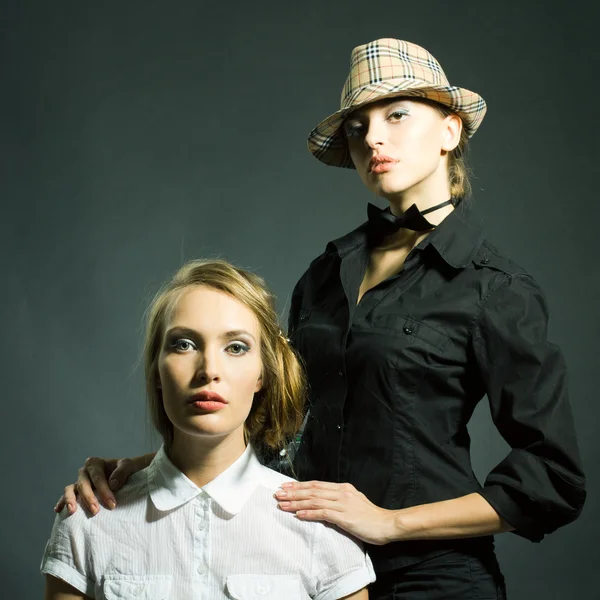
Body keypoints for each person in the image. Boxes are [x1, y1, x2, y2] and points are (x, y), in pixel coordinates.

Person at [55, 39, 586, 599]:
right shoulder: (325, 274)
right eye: (358, 127)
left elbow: (552, 478)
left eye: (397, 114)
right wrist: (149, 470)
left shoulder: (495, 287)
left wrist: (390, 521)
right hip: (307, 561)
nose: (374, 137)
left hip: (433, 577)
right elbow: (273, 426)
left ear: (450, 131)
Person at [42, 259, 374, 599]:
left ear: (263, 373)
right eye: (184, 344)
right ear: (156, 370)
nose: (209, 370)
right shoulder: (87, 521)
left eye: (236, 347)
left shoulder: (321, 530)